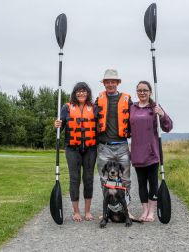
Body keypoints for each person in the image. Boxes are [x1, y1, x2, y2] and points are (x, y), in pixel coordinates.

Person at [129, 81, 173, 222]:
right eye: (140, 90)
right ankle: (144, 210)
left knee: (153, 183)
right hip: (137, 152)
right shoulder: (132, 108)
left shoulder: (155, 107)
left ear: (150, 92)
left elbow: (168, 127)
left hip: (152, 152)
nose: (142, 93)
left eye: (145, 90)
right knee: (141, 183)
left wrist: (162, 115)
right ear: (137, 91)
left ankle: (152, 212)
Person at [54, 82, 97, 222]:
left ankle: (88, 211)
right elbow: (60, 127)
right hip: (72, 148)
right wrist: (57, 125)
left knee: (88, 178)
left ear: (88, 93)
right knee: (75, 179)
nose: (81, 93)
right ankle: (76, 212)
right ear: (74, 93)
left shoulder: (94, 108)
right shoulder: (66, 108)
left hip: (90, 148)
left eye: (84, 91)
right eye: (78, 91)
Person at [95, 69, 132, 193]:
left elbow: (137, 117)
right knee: (104, 179)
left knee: (125, 179)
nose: (110, 84)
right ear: (104, 83)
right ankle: (107, 210)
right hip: (104, 147)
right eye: (108, 82)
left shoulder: (127, 100)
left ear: (118, 83)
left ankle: (125, 208)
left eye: (113, 82)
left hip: (122, 146)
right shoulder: (98, 100)